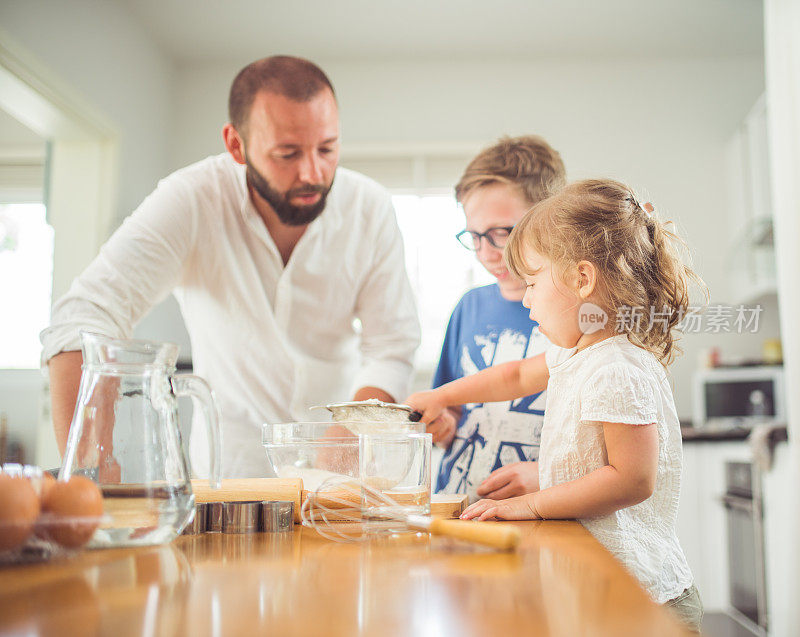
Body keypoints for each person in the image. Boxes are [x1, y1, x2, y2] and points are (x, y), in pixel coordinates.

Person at [41, 56, 420, 478]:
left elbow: (392, 346)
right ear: (236, 144)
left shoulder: (370, 209)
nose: (312, 173)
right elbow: (82, 317)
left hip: (340, 483)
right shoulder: (191, 201)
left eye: (327, 149)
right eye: (287, 154)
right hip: (228, 482)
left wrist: (351, 427)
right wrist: (90, 471)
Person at [407, 179, 705, 631]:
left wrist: (531, 504)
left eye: (532, 282)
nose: (525, 299)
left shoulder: (616, 366)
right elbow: (514, 376)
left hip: (642, 594)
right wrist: (442, 395)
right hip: (598, 581)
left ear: (582, 279)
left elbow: (632, 479)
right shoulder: (577, 352)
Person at [427, 136, 565, 503]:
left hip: (544, 516)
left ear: (551, 219)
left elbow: (616, 455)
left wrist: (549, 475)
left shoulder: (580, 315)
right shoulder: (468, 308)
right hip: (458, 510)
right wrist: (443, 424)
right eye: (474, 236)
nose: (486, 253)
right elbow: (452, 408)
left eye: (502, 233)